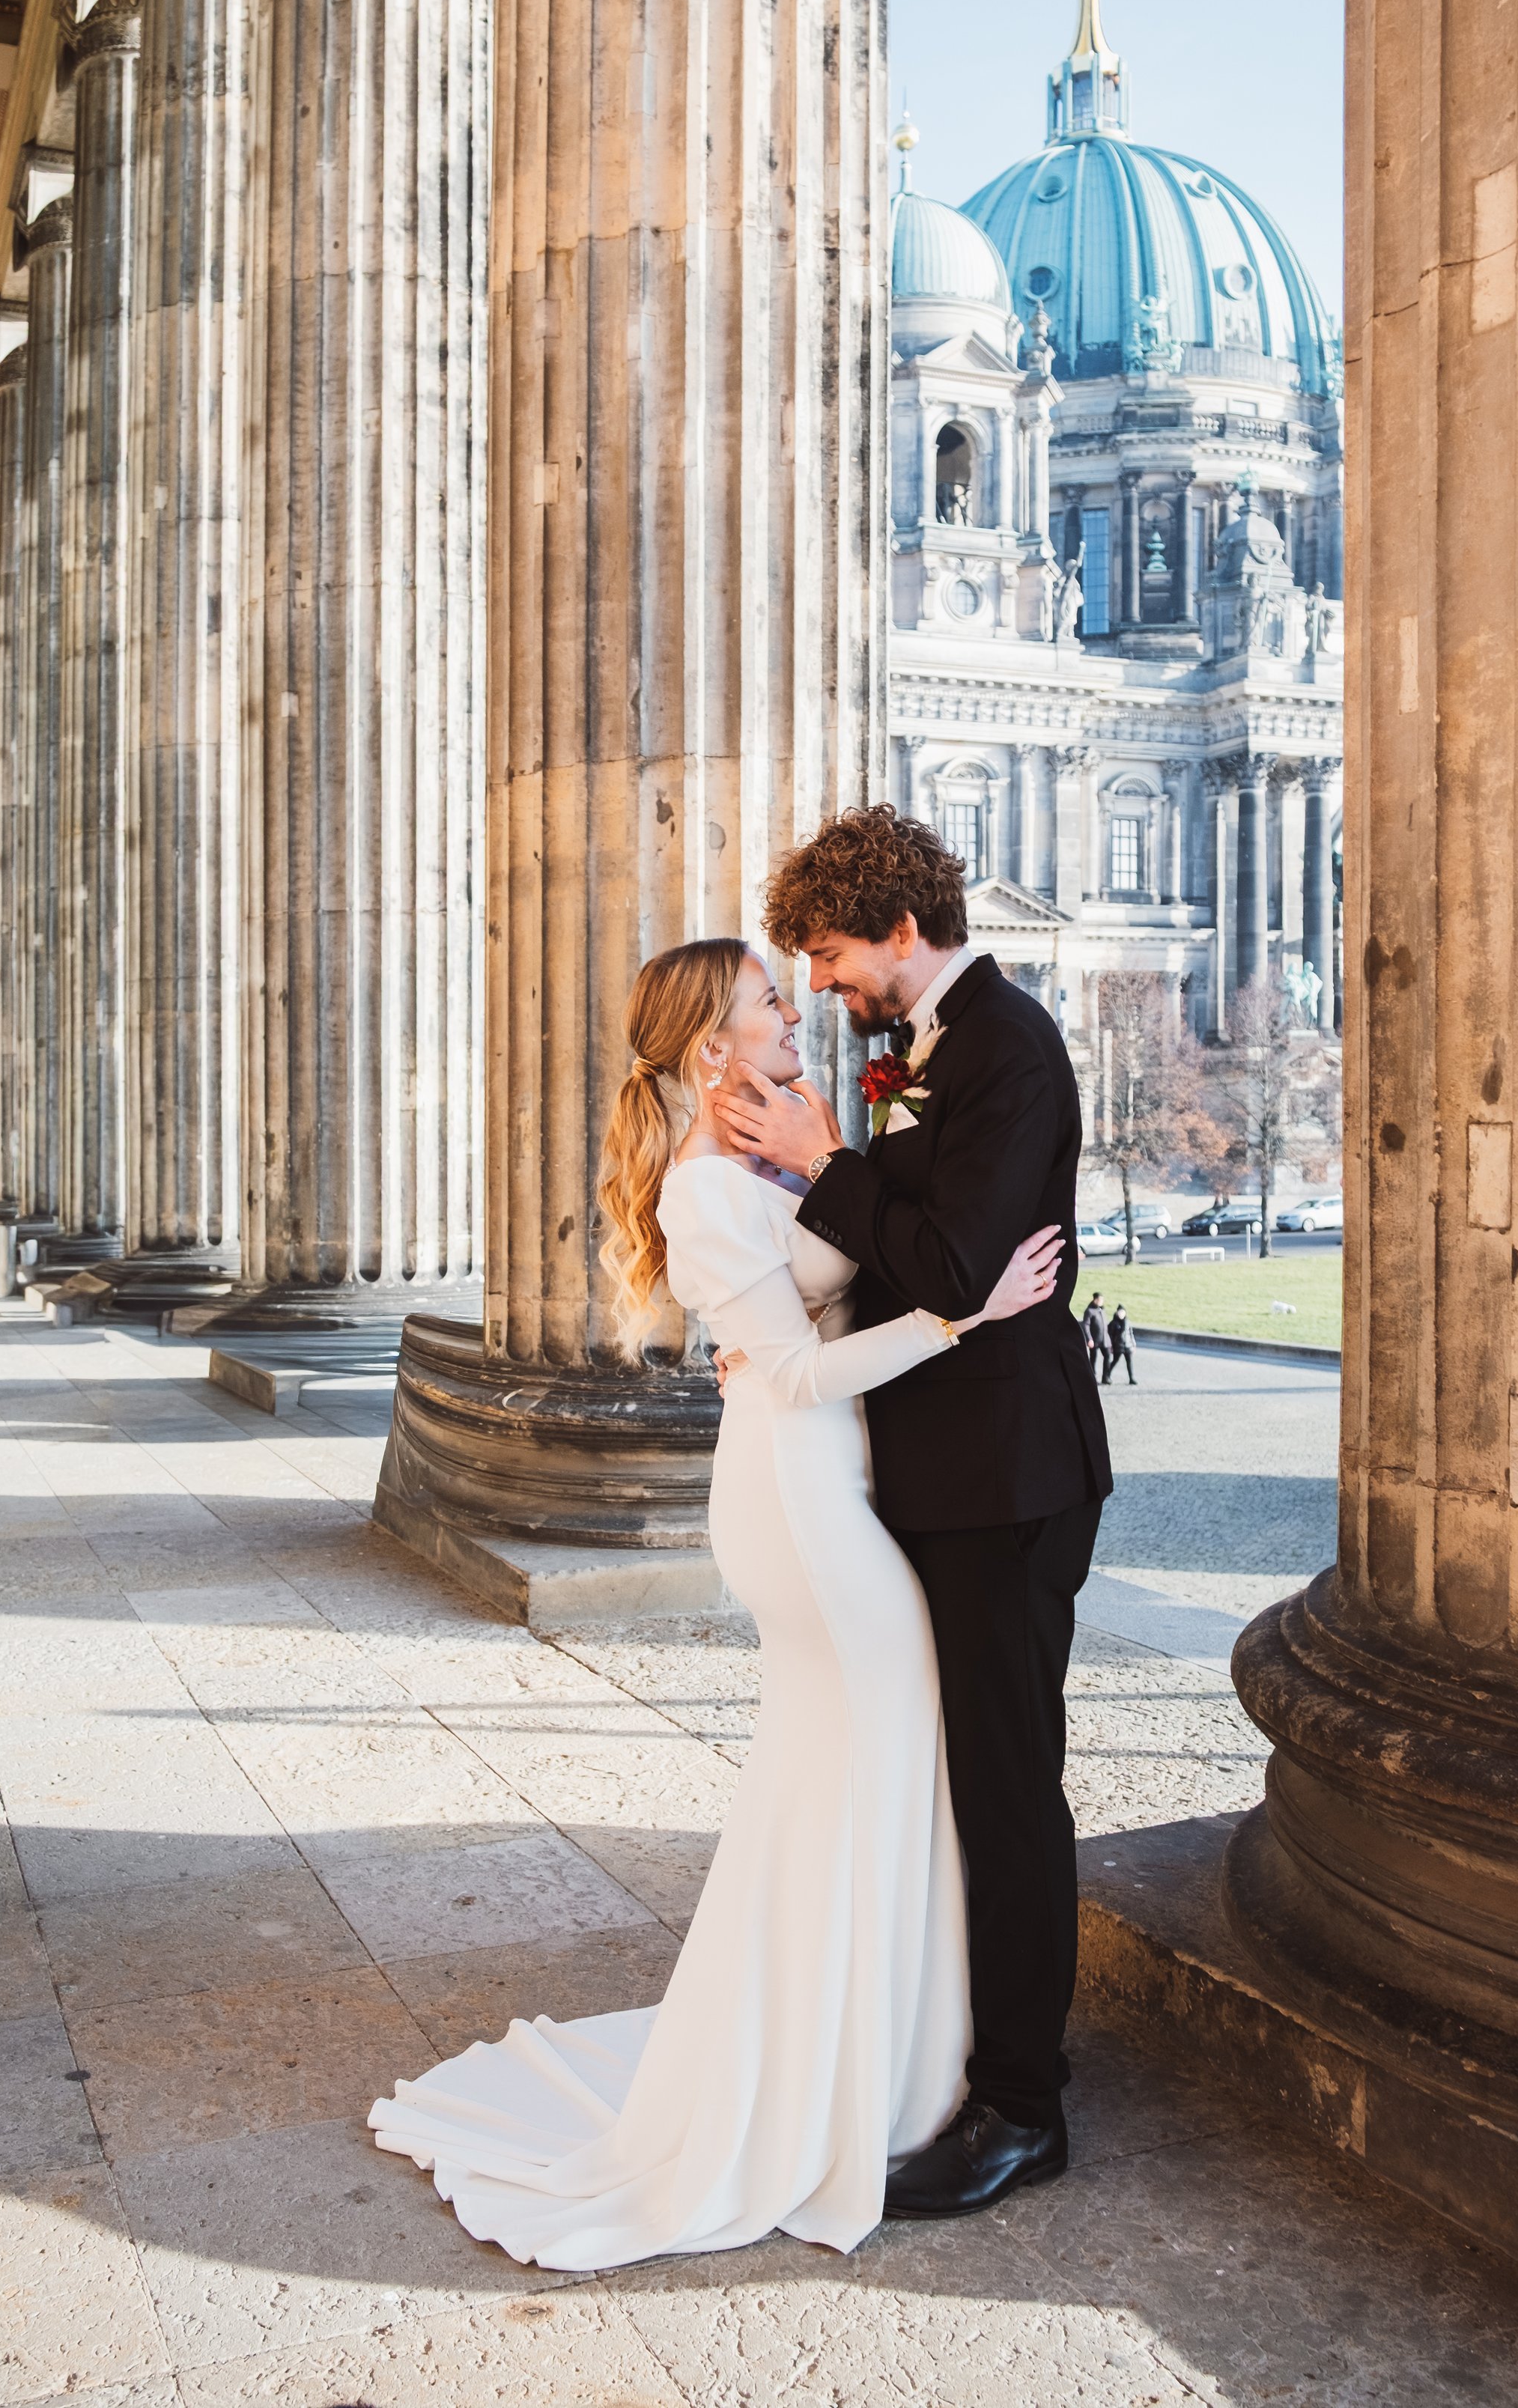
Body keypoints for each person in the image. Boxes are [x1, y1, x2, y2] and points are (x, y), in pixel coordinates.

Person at [368, 936, 1061, 2267]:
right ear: (712, 1048)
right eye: (765, 1002)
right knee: (879, 1750)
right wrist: (959, 1322)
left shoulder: (751, 1163)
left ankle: (881, 2055)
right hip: (800, 1507)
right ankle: (861, 2070)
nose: (791, 1010)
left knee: (859, 1771)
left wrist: (840, 1167)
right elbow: (788, 1378)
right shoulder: (701, 1192)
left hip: (829, 1497)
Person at [717, 804, 1112, 2220]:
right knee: (962, 1774)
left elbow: (953, 1260)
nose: (819, 984)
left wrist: (830, 1164)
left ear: (900, 928)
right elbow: (904, 1243)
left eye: (826, 955)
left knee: (1009, 1788)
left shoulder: (1010, 1049)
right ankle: (966, 2042)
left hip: (1009, 1480)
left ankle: (1022, 2106)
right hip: (941, 1467)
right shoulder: (923, 1055)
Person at [1103, 1302, 1136, 1384]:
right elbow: (1110, 1335)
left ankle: (1131, 1378)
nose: (1121, 1314)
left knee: (1129, 1363)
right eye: (1120, 1312)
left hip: (1128, 1346)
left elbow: (1131, 1334)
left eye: (1123, 1312)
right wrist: (1110, 1346)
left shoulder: (1128, 1322)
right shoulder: (1113, 1323)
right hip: (1118, 1346)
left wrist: (1134, 1344)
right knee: (1115, 1361)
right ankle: (1107, 1375)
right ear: (1117, 1313)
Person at [1081, 1290, 1111, 1371]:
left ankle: (1106, 1377)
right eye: (1100, 1300)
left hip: (1104, 1339)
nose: (1101, 1302)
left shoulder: (1102, 1310)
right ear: (1095, 1300)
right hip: (1095, 1339)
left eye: (1102, 1300)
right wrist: (1089, 1339)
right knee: (1093, 1358)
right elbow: (1086, 1325)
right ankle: (1093, 1376)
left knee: (1107, 1356)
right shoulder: (1089, 1311)